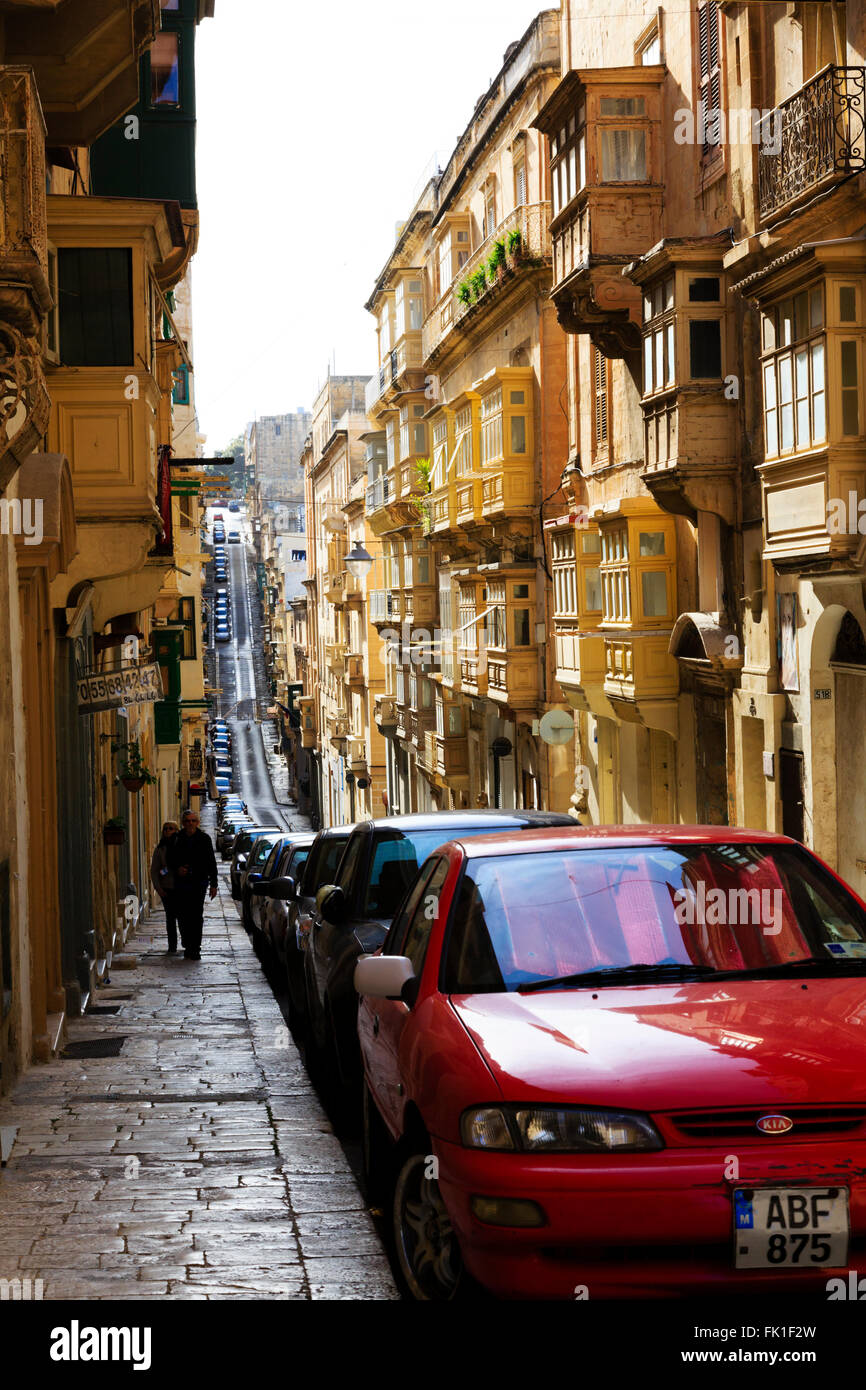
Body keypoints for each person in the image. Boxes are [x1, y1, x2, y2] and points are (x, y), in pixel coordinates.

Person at [166, 809, 218, 960]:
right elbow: (169, 859)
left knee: (196, 915)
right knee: (182, 915)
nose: (190, 823)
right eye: (187, 821)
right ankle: (188, 943)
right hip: (181, 884)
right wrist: (177, 869)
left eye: (193, 821)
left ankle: (195, 947)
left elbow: (211, 862)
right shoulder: (176, 839)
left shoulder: (204, 839)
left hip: (199, 883)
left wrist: (214, 884)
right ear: (183, 823)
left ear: (197, 822)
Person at [150, 820, 181, 953]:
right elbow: (155, 871)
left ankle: (186, 941)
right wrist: (159, 888)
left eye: (171, 828)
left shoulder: (181, 846)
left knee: (183, 916)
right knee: (170, 917)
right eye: (165, 829)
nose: (168, 831)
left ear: (176, 830)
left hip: (182, 887)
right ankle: (172, 946)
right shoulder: (160, 849)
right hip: (167, 888)